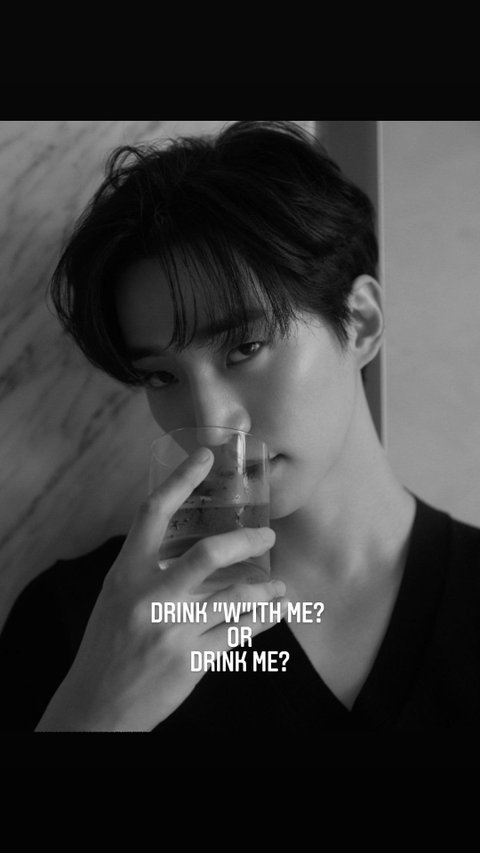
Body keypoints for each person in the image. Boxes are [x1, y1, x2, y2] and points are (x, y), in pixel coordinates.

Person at [0, 121, 479, 760]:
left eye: (245, 347)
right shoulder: (83, 626)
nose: (212, 421)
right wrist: (97, 711)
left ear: (360, 323)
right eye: (161, 376)